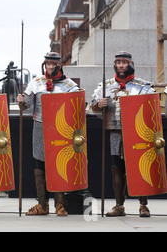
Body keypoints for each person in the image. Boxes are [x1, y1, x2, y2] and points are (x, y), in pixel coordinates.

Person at [91, 51, 155, 217]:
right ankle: (119, 206)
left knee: (139, 167)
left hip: (138, 133)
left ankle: (143, 205)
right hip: (116, 132)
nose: (120, 65)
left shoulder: (143, 86)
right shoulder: (105, 86)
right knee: (117, 168)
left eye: (124, 62)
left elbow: (151, 109)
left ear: (130, 64)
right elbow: (92, 107)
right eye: (118, 62)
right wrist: (99, 104)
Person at [17, 52, 79, 216]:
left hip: (60, 130)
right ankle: (42, 204)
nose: (50, 67)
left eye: (53, 64)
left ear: (60, 65)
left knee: (58, 164)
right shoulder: (36, 83)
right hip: (40, 126)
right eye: (48, 64)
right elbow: (27, 106)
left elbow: (76, 108)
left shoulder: (70, 85)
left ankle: (60, 204)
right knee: (40, 165)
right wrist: (22, 102)